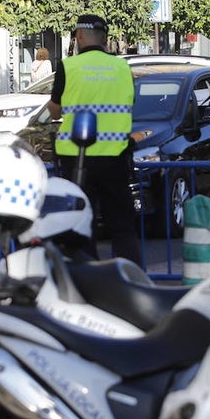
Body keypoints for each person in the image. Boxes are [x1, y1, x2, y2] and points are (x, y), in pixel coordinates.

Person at [48, 14, 141, 263]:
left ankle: (86, 280)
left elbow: (54, 110)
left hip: (76, 159)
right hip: (115, 157)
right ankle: (131, 278)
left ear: (79, 36)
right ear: (104, 39)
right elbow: (130, 103)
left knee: (80, 222)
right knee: (122, 224)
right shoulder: (123, 68)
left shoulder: (69, 67)